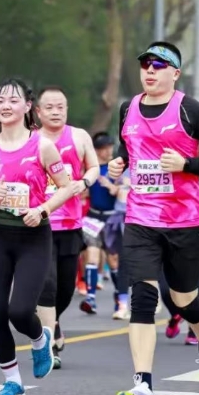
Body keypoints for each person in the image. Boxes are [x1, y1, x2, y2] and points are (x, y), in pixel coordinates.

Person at [109, 41, 199, 395]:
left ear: (175, 73)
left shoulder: (190, 109)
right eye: (146, 63)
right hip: (141, 218)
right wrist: (117, 163)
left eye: (159, 65)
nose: (150, 70)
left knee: (183, 300)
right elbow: (128, 147)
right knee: (143, 298)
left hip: (185, 221)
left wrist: (186, 165)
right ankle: (142, 385)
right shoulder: (128, 107)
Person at [0, 77, 75, 395]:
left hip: (33, 236)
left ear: (27, 107)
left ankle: (40, 339)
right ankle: (13, 382)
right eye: (0, 100)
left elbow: (66, 187)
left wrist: (42, 209)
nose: (5, 106)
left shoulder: (42, 146)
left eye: (13, 100)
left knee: (20, 311)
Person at [35, 86, 99, 367]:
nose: (55, 112)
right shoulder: (31, 140)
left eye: (60, 106)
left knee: (65, 288)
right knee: (46, 283)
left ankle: (55, 320)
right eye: (49, 107)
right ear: (38, 112)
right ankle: (48, 345)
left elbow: (94, 167)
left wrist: (84, 182)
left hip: (71, 223)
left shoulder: (79, 136)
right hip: (40, 222)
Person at [80, 132, 125, 316]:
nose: (108, 151)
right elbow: (83, 191)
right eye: (104, 148)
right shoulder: (90, 169)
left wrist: (111, 186)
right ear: (97, 150)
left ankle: (119, 297)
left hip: (111, 218)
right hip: (93, 216)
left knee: (113, 260)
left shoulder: (117, 168)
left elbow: (123, 191)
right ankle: (90, 298)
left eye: (110, 147)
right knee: (92, 255)